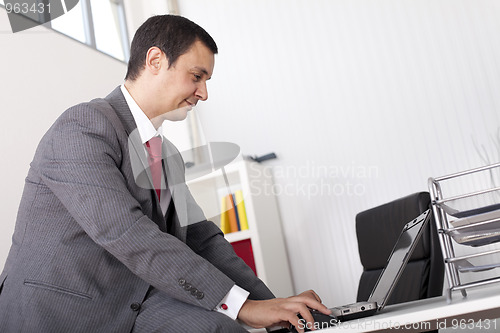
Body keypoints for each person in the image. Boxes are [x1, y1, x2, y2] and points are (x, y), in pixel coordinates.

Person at [0, 14, 331, 332]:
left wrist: (275, 309)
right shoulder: (83, 126)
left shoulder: (166, 155)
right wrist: (241, 307)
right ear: (155, 60)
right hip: (61, 312)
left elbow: (203, 241)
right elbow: (127, 232)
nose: (203, 93)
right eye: (197, 76)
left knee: (217, 328)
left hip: (131, 304)